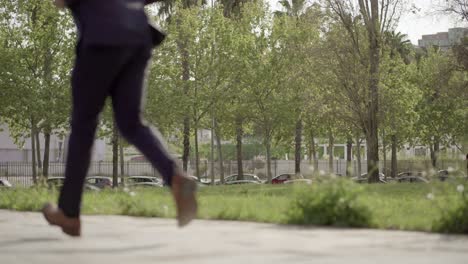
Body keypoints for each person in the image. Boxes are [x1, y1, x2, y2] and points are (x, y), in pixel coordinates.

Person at [42, 0, 197, 237]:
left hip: (102, 37)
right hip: (138, 35)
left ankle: (69, 214)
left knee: (83, 127)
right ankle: (175, 176)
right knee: (131, 123)